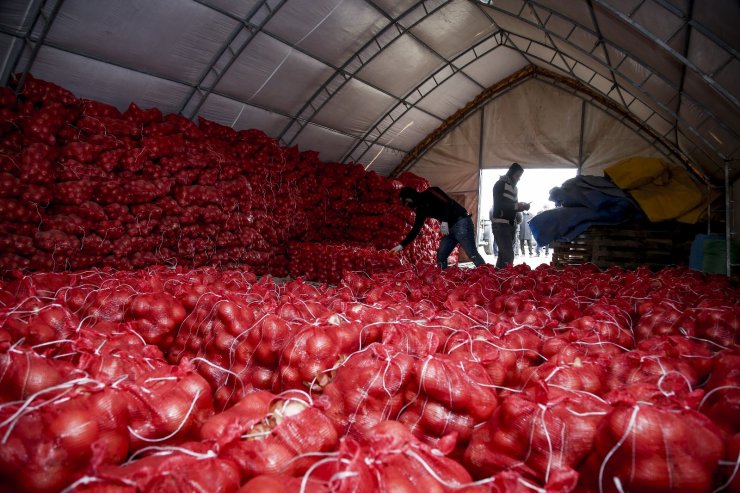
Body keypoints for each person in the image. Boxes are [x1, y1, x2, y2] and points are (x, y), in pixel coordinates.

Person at [391, 186, 485, 269]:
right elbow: (415, 229)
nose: (408, 205)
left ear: (411, 196)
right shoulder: (421, 210)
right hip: (450, 229)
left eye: (407, 201)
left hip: (461, 222)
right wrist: (401, 245)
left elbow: (449, 203)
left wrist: (444, 221)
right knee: (441, 256)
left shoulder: (431, 192)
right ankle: (444, 281)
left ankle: (488, 275)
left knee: (472, 253)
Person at [491, 163, 530, 268]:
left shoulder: (515, 188)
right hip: (500, 224)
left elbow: (513, 206)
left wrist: (523, 206)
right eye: (517, 176)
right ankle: (507, 280)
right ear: (511, 173)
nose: (518, 179)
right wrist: (517, 206)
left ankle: (497, 278)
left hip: (510, 225)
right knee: (509, 256)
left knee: (503, 255)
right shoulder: (500, 184)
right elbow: (499, 204)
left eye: (519, 177)